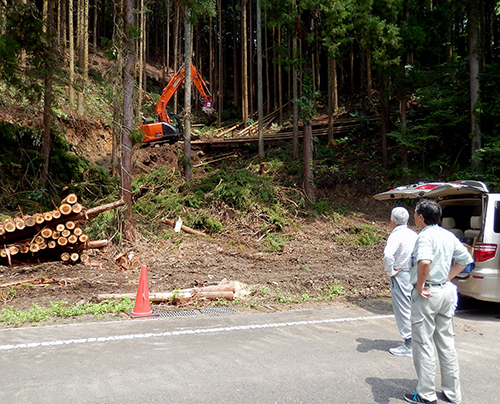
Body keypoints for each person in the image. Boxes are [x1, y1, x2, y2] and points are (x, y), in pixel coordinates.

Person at [404, 199, 473, 404]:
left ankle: (426, 395)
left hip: (427, 295)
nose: (415, 217)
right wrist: (448, 277)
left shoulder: (425, 236)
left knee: (423, 343)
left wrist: (420, 285)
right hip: (444, 292)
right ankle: (453, 393)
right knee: (446, 343)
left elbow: (424, 261)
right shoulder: (447, 235)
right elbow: (466, 258)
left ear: (421, 217)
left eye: (416, 214)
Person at [383, 207, 417, 357]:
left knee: (403, 309)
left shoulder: (395, 236)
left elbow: (388, 255)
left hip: (401, 274)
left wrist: (390, 271)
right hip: (415, 274)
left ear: (392, 221)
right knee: (414, 308)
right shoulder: (414, 234)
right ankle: (417, 342)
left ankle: (409, 345)